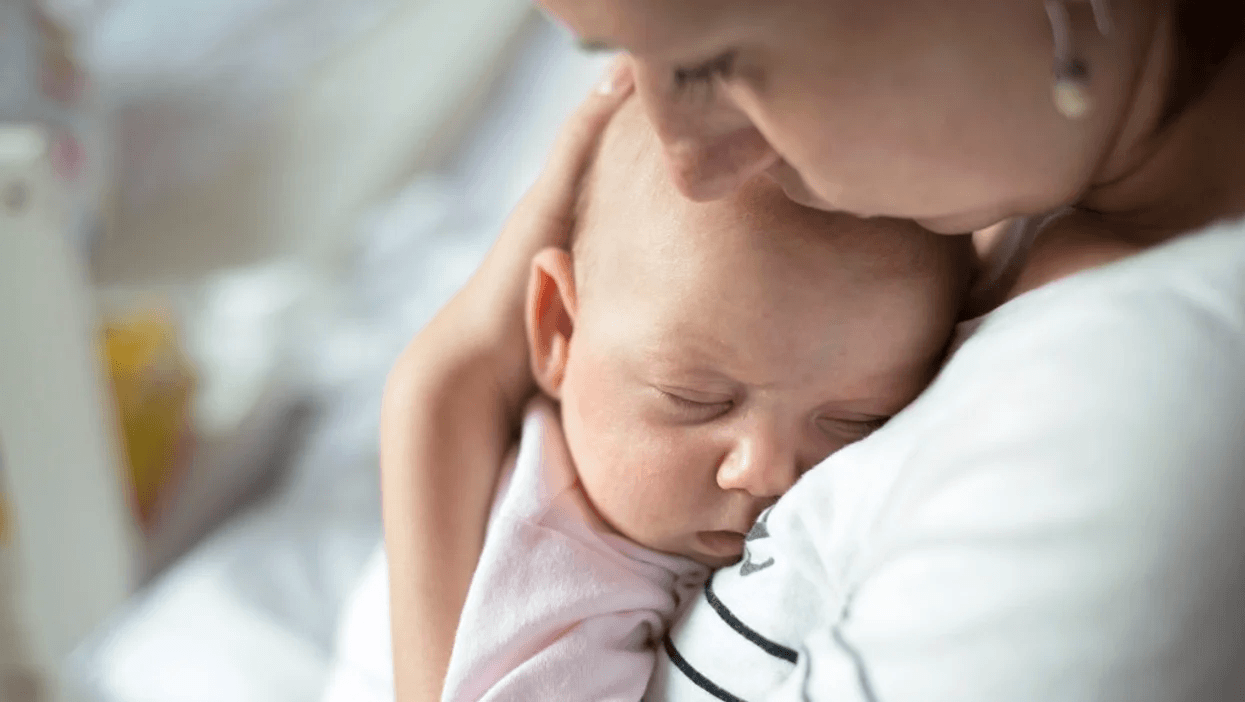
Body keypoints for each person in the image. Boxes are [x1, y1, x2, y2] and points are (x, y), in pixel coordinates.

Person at [381, 1, 1245, 700]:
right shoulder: (1012, 192)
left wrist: (445, 385)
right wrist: (444, 383)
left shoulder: (1145, 407)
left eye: (717, 63)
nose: (689, 159)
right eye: (626, 58)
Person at [327, 95, 969, 702]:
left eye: (857, 420)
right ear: (559, 331)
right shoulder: (556, 586)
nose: (767, 470)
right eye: (696, 398)